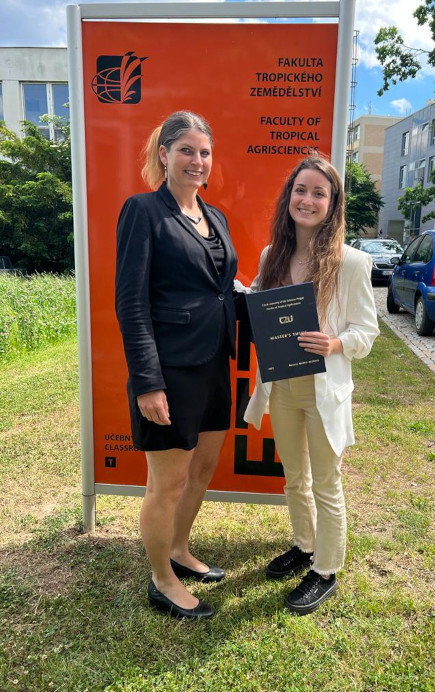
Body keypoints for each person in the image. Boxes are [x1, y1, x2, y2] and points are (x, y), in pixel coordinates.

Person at [115, 111, 238, 620]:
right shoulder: (142, 211)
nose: (197, 160)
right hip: (169, 370)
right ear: (163, 154)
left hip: (214, 366)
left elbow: (220, 290)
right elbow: (131, 302)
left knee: (203, 470)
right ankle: (161, 580)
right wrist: (147, 383)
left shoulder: (218, 217)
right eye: (186, 149)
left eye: (204, 151)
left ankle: (180, 550)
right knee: (166, 482)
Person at [244, 156, 379, 615]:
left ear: (332, 204)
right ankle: (304, 544)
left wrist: (336, 342)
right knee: (293, 479)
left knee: (326, 482)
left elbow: (368, 332)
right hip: (281, 386)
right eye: (301, 190)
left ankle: (325, 569)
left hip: (325, 390)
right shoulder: (272, 256)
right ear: (289, 198)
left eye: (319, 193)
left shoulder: (352, 263)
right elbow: (258, 298)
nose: (308, 199)